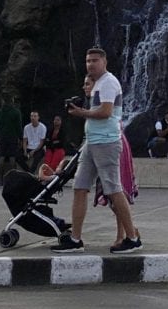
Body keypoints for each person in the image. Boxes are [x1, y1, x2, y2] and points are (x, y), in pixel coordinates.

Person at [51, 47, 141, 254]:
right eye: (88, 60)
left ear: (104, 61)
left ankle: (132, 237)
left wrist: (80, 112)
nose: (90, 64)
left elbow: (106, 112)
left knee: (113, 189)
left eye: (95, 60)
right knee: (79, 186)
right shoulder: (97, 85)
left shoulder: (108, 82)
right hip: (92, 142)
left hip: (106, 142)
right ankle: (75, 239)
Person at [0, 96, 23, 183]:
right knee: (12, 157)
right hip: (13, 136)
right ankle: (13, 178)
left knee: (2, 156)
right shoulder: (16, 112)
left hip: (2, 137)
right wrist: (20, 137)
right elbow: (19, 126)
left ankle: (0, 178)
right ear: (12, 101)